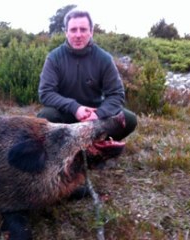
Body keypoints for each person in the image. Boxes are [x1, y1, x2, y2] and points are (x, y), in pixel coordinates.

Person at [38, 9, 137, 199]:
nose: (78, 35)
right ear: (66, 31)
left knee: (129, 119)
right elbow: (46, 93)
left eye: (83, 29)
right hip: (67, 116)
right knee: (45, 118)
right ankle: (63, 156)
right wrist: (74, 108)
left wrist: (98, 114)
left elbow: (116, 94)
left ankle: (96, 152)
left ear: (91, 31)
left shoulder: (103, 59)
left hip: (95, 117)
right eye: (73, 30)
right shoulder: (54, 58)